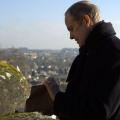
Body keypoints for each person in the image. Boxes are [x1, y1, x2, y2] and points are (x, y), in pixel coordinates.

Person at [43, 1, 120, 120]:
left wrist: (57, 96)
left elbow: (100, 112)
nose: (71, 36)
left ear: (86, 21)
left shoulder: (114, 53)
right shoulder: (86, 54)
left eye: (71, 28)